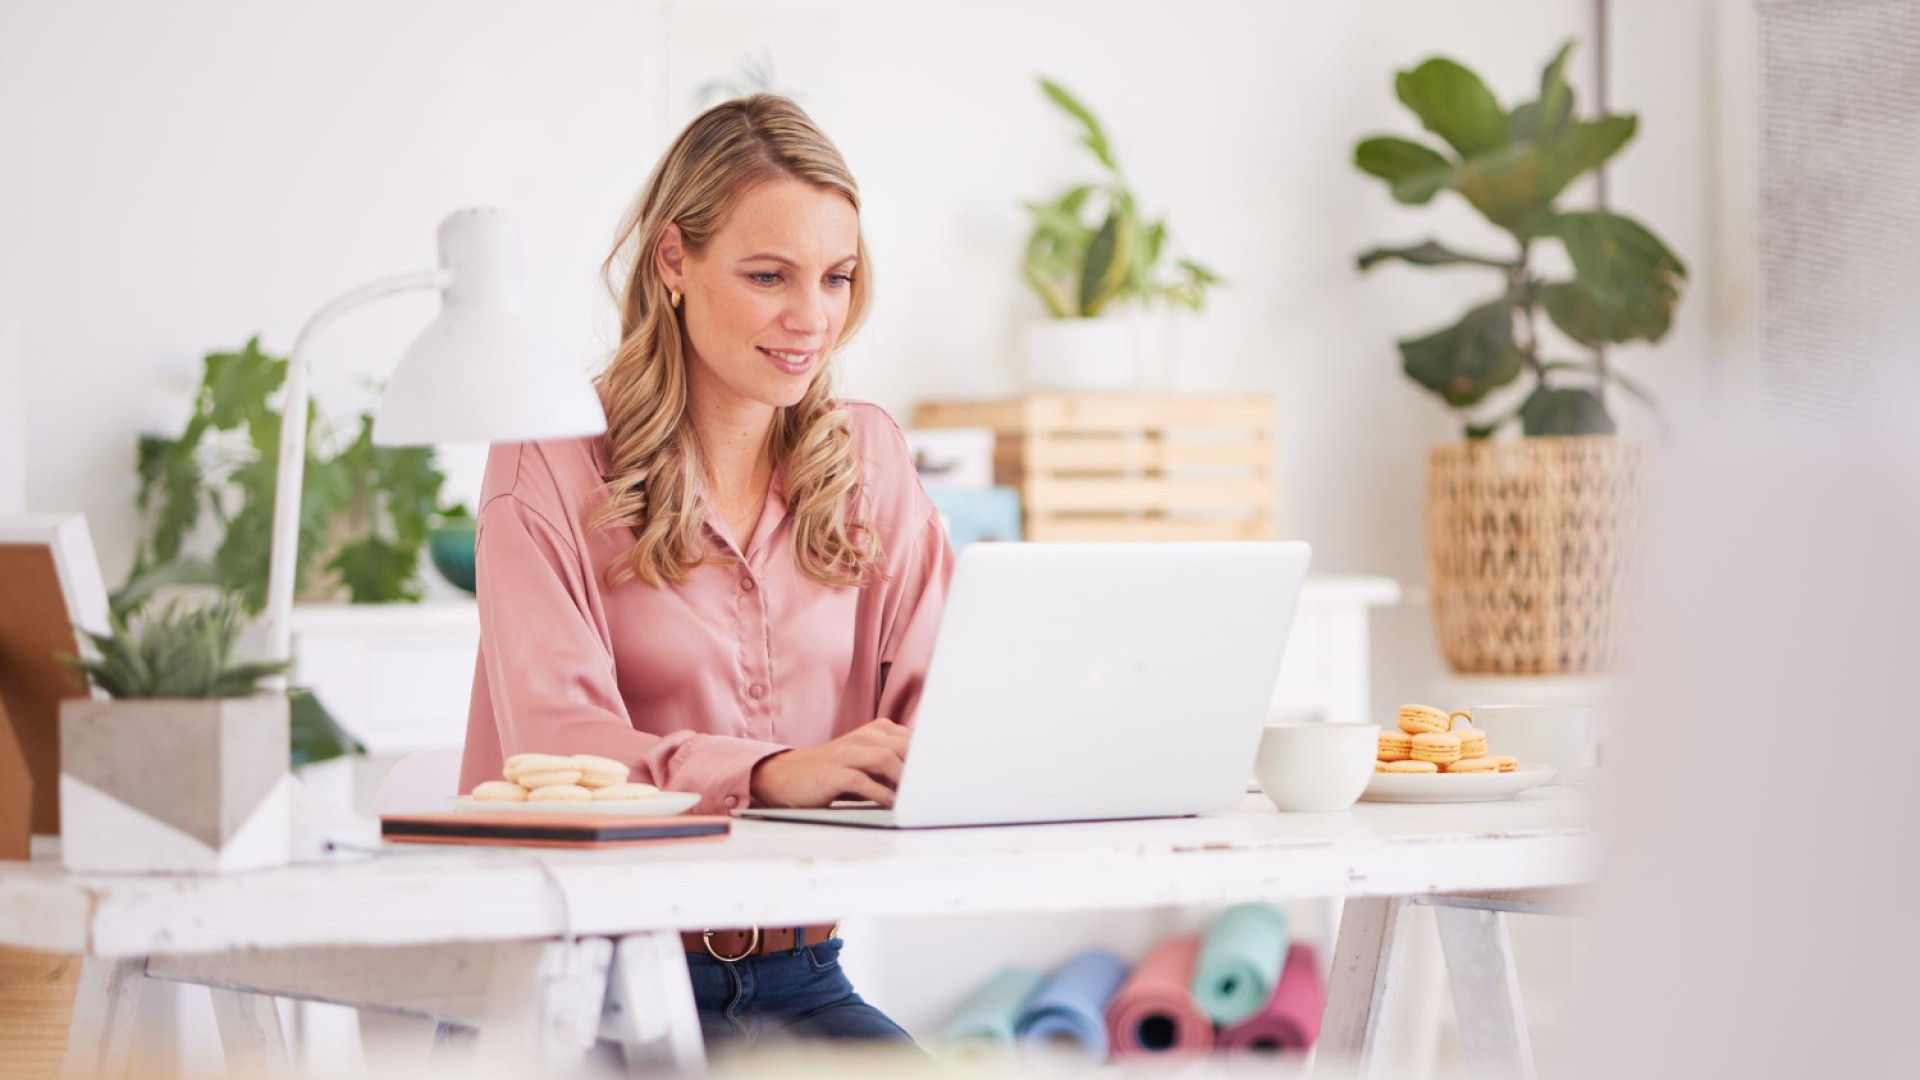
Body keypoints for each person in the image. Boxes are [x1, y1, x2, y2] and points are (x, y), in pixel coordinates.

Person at [457, 94, 951, 1050]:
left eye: (837, 278)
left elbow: (948, 709)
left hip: (799, 977)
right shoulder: (550, 462)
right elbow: (557, 746)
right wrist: (770, 774)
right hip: (581, 983)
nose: (813, 319)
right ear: (673, 260)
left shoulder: (870, 461)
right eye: (769, 275)